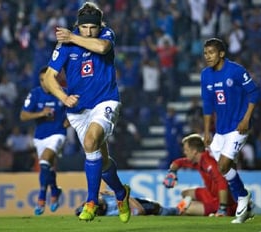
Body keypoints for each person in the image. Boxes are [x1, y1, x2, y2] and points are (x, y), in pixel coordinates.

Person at [40, 2, 130, 223]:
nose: (89, 32)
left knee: (90, 143)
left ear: (100, 26)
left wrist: (72, 37)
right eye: (85, 28)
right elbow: (49, 77)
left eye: (93, 28)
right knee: (103, 160)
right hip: (78, 109)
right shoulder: (65, 45)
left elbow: (101, 48)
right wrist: (63, 97)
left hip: (105, 101)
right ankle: (121, 193)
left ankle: (91, 202)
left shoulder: (106, 34)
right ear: (78, 26)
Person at [200, 38, 260, 223]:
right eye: (205, 53)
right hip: (220, 130)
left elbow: (254, 92)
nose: (207, 56)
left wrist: (246, 119)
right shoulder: (205, 75)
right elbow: (208, 104)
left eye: (211, 52)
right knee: (226, 168)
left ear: (221, 54)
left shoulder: (235, 71)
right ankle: (247, 206)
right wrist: (207, 131)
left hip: (238, 127)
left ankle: (242, 198)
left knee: (224, 165)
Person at [163, 134, 261, 218]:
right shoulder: (197, 161)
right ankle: (257, 210)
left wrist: (222, 208)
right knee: (186, 193)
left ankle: (227, 210)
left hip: (220, 200)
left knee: (189, 209)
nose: (184, 153)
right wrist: (172, 172)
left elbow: (222, 183)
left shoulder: (208, 162)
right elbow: (178, 162)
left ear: (194, 151)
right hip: (211, 194)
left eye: (186, 150)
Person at [19, 66, 68, 215]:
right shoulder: (35, 94)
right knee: (48, 168)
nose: (43, 83)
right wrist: (41, 113)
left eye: (45, 79)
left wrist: (69, 122)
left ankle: (41, 199)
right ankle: (54, 191)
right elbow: (23, 116)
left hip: (58, 134)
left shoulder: (62, 92)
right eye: (41, 80)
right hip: (40, 136)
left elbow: (75, 109)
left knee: (44, 161)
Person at [75, 190, 179, 217]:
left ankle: (180, 209)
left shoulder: (105, 196)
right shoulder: (113, 213)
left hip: (143, 203)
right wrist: (122, 195)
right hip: (147, 209)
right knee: (154, 207)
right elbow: (139, 211)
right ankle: (179, 210)